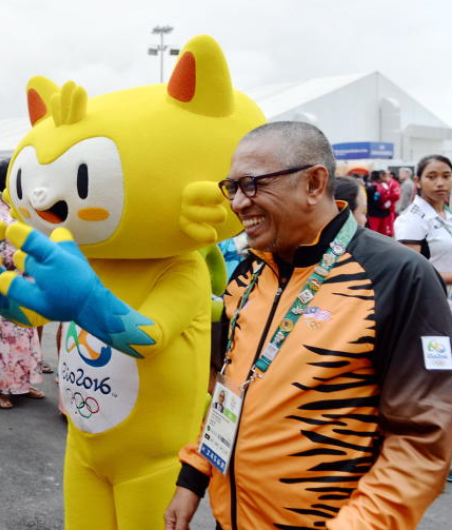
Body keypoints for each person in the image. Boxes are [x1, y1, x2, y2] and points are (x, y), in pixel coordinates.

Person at [166, 121, 452, 530]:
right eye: (232, 187)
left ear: (314, 183)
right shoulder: (249, 273)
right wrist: (193, 477)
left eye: (252, 184)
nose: (238, 203)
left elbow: (422, 438)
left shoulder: (399, 275)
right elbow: (231, 389)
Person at [0, 160, 44, 409]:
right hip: (0, 281)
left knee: (25, 333)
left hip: (24, 280)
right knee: (1, 338)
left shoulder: (21, 205)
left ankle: (22, 384)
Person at [395, 155, 452, 308]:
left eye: (446, 176)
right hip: (432, 305)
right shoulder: (412, 220)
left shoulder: (446, 214)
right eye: (431, 177)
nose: (440, 183)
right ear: (417, 181)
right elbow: (410, 274)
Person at [366, 170, 394, 235]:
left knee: (373, 234)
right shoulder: (386, 187)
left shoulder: (370, 188)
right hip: (384, 214)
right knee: (383, 235)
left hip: (372, 215)